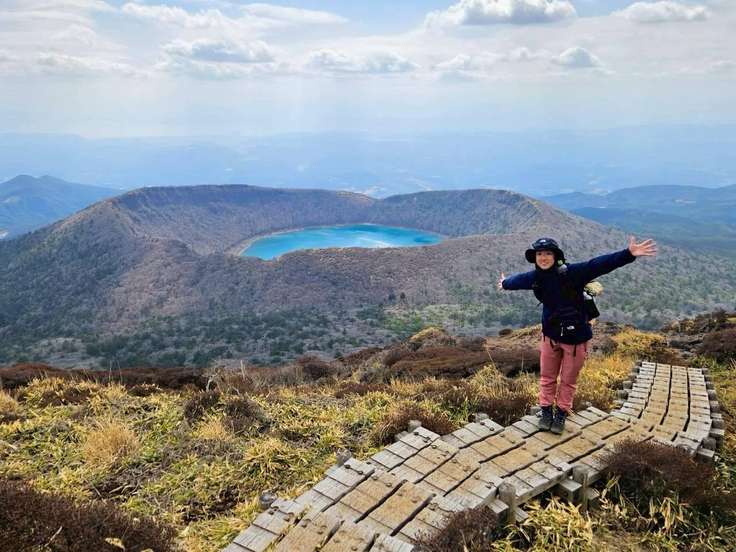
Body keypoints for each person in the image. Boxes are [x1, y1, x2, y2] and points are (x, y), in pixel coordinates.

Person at [497, 236, 657, 433]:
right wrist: (505, 283)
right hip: (550, 337)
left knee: (568, 380)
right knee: (547, 377)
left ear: (556, 256)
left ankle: (561, 414)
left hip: (576, 339)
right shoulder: (536, 277)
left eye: (548, 253)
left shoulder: (573, 273)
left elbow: (599, 264)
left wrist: (628, 254)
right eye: (539, 254)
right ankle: (546, 412)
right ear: (535, 258)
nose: (543, 258)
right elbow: (517, 280)